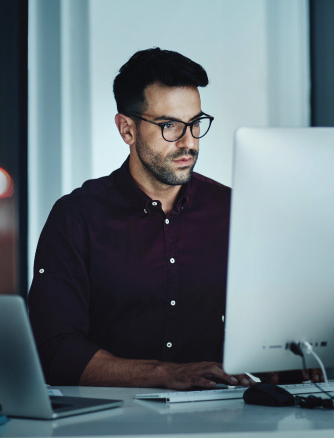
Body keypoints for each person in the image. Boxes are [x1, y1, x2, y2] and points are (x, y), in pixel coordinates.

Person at [27, 47, 259, 390]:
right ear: (127, 130)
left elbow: (265, 323)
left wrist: (282, 362)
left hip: (221, 413)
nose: (189, 143)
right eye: (170, 126)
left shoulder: (233, 210)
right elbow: (54, 348)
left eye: (195, 124)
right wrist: (166, 375)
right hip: (109, 420)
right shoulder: (76, 217)